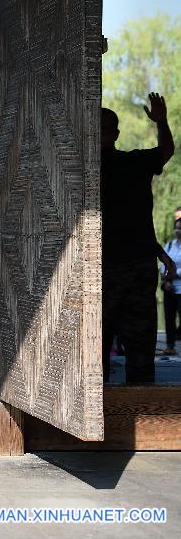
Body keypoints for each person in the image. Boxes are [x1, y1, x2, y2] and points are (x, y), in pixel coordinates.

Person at [102, 93, 174, 383]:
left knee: (108, 344)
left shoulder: (82, 170)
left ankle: (132, 409)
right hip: (121, 266)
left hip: (112, 267)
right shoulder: (132, 163)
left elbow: (165, 151)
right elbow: (166, 151)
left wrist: (162, 122)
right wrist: (161, 122)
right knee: (131, 346)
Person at [162, 218, 181, 356]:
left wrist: (175, 273)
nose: (178, 231)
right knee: (169, 318)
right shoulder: (169, 245)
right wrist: (166, 280)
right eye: (176, 228)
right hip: (169, 288)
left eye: (180, 228)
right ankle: (170, 345)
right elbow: (163, 264)